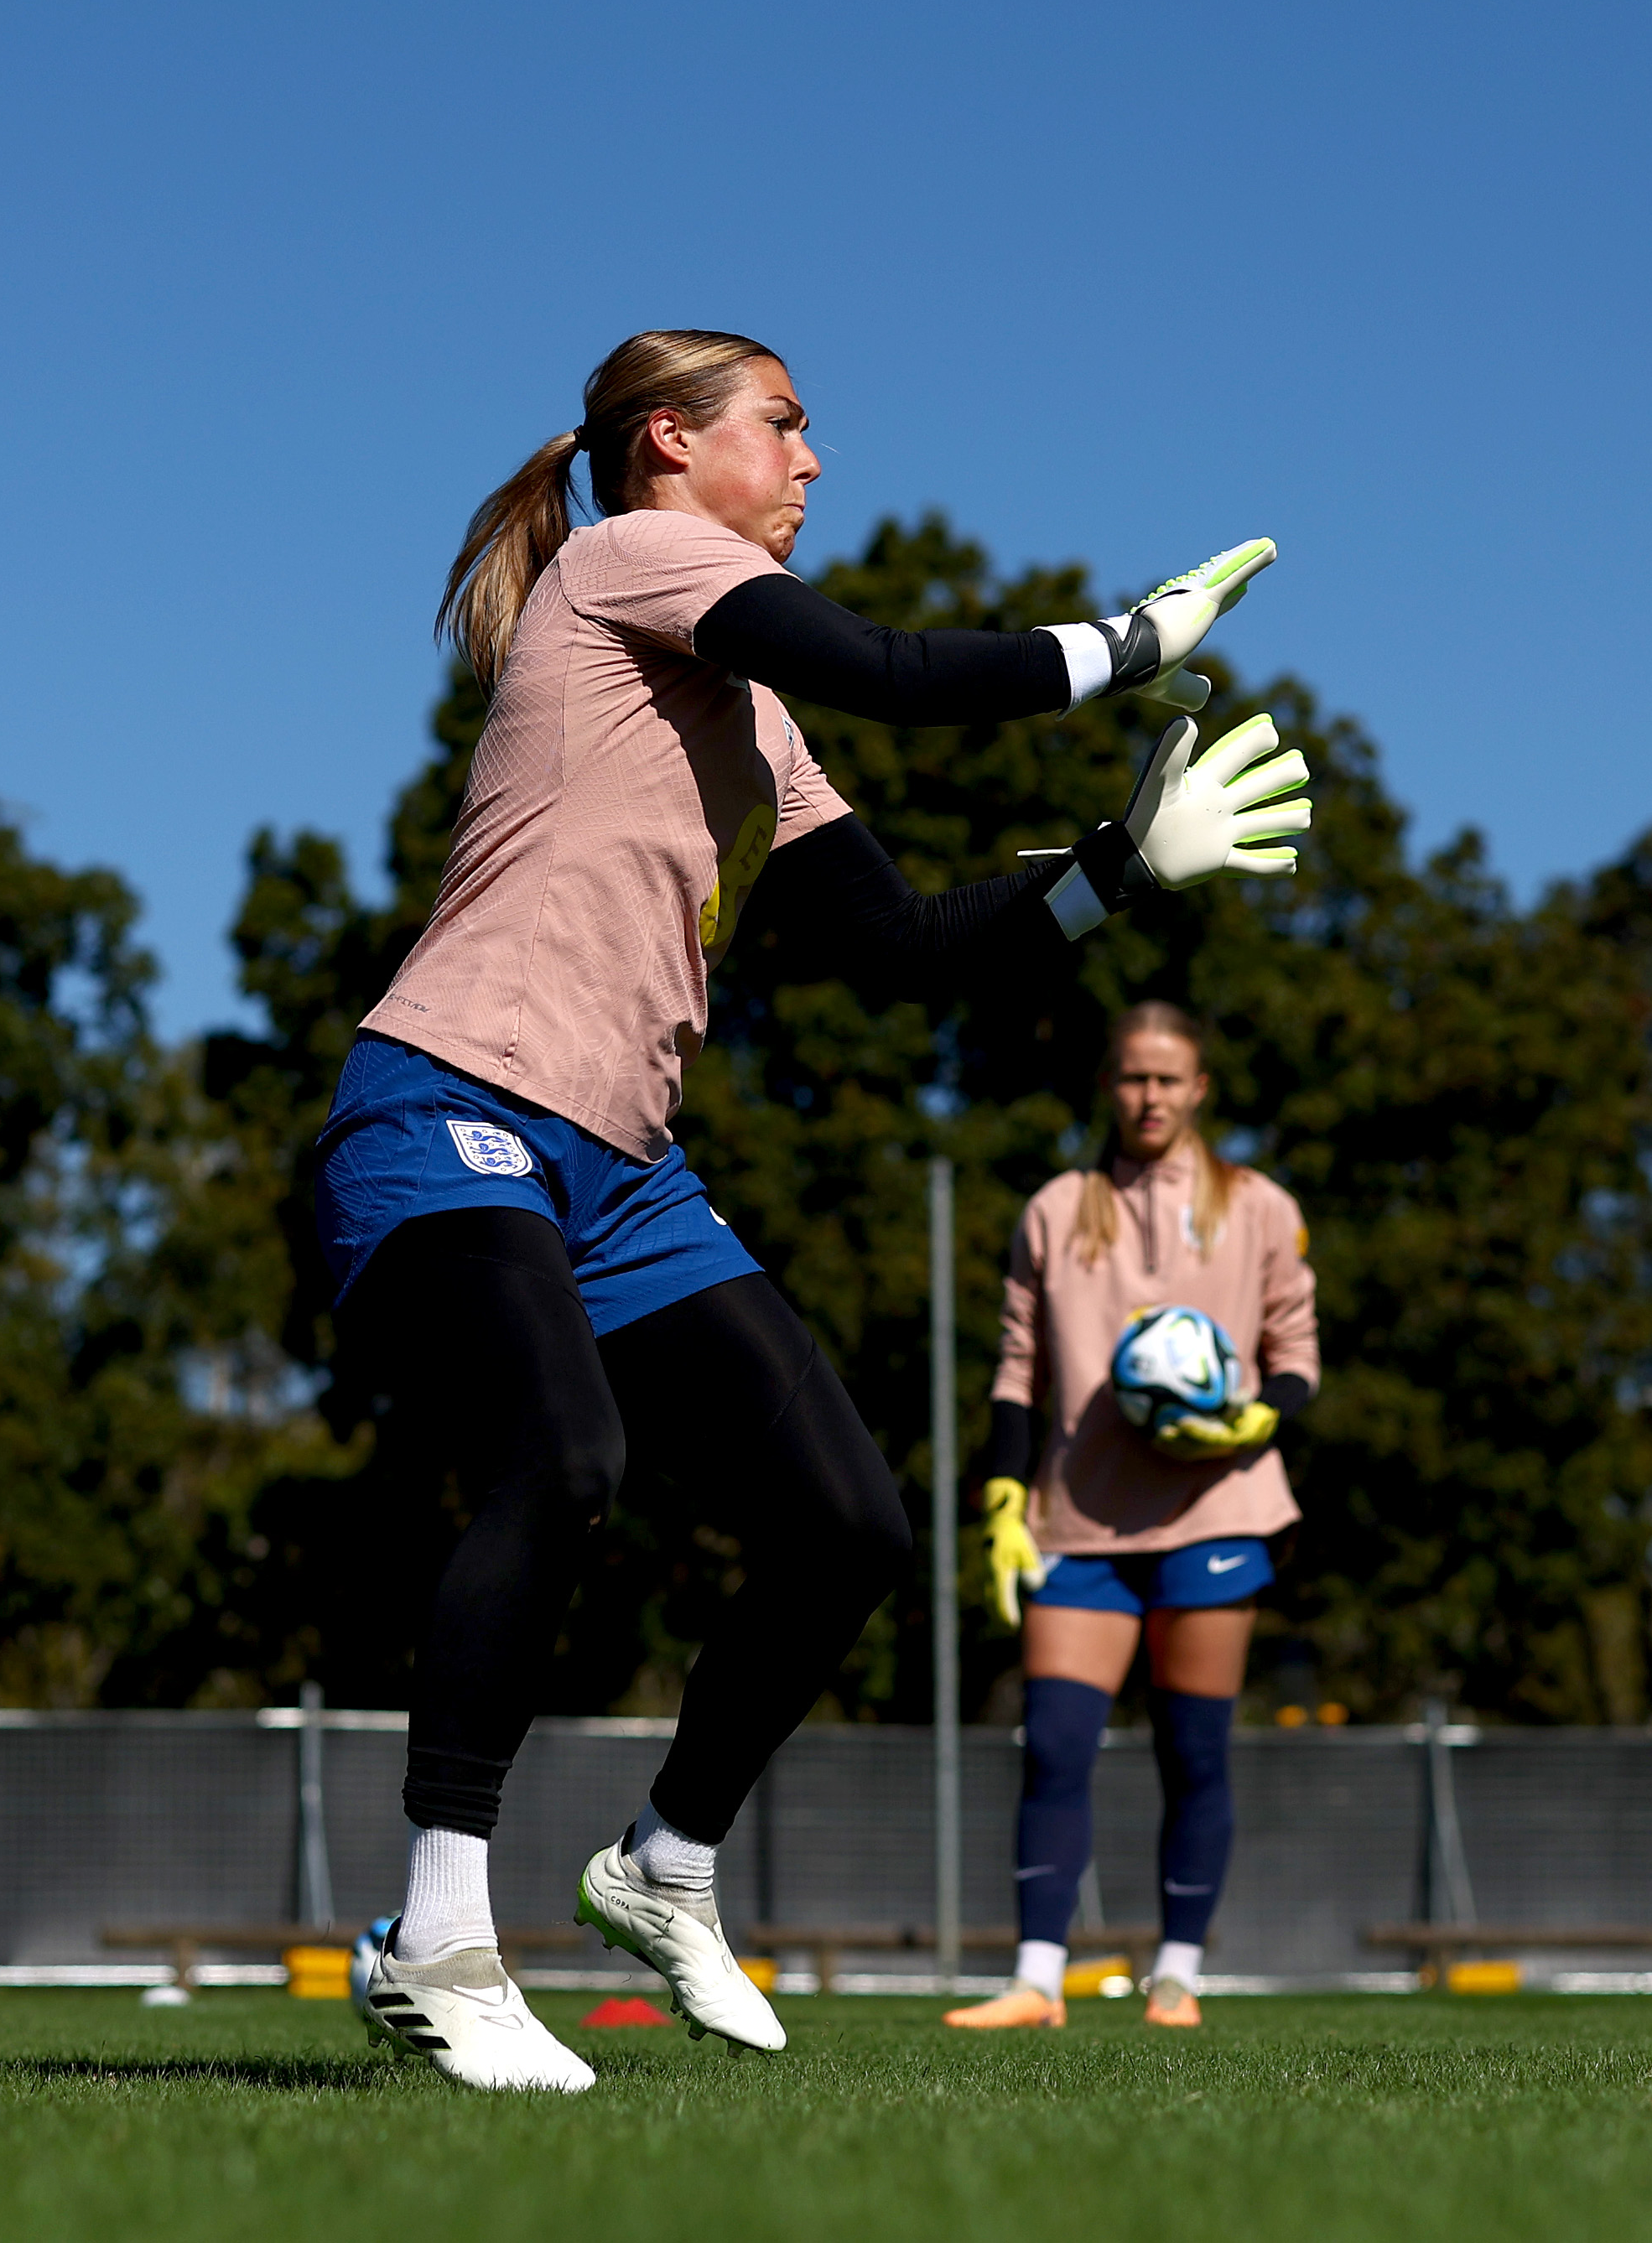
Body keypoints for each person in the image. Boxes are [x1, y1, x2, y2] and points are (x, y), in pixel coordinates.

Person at [323, 330, 1313, 2091]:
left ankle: (663, 1866)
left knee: (847, 1526)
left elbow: (901, 944)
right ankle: (437, 1939)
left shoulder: (746, 711)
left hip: (623, 1170)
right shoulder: (622, 563)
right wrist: (1127, 643)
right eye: (780, 426)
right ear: (663, 447)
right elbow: (897, 669)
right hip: (454, 1103)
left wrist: (1115, 871)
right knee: (563, 1459)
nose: (810, 459)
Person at [945, 1001, 1320, 2033]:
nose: (1149, 1096)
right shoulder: (1057, 1210)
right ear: (1108, 1087)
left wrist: (1253, 1418)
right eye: (1131, 1078)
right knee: (1056, 1743)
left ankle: (1177, 1974)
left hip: (1217, 1511)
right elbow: (1019, 1369)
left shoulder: (1260, 1208)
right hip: (1081, 1523)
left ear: (1200, 1089)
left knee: (1192, 1751)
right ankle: (1035, 1979)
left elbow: (1297, 1357)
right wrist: (1007, 1490)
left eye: (1168, 1079)